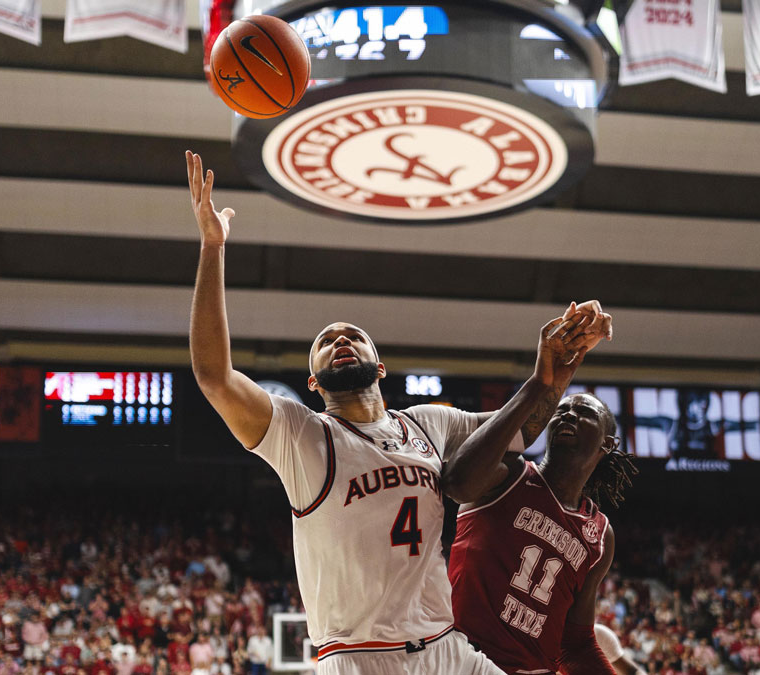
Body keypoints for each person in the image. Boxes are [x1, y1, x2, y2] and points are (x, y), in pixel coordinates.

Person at [184, 151, 610, 675]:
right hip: (359, 657)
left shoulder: (429, 424)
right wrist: (212, 248)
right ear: (313, 382)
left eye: (354, 336)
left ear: (379, 367)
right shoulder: (301, 434)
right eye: (326, 341)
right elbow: (214, 376)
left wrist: (556, 373)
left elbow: (520, 427)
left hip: (444, 648)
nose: (342, 339)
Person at [444, 356, 636, 674]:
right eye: (561, 411)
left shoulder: (601, 534)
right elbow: (458, 483)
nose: (567, 416)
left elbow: (574, 645)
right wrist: (537, 388)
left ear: (607, 444)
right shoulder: (511, 473)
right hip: (463, 661)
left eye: (583, 413)